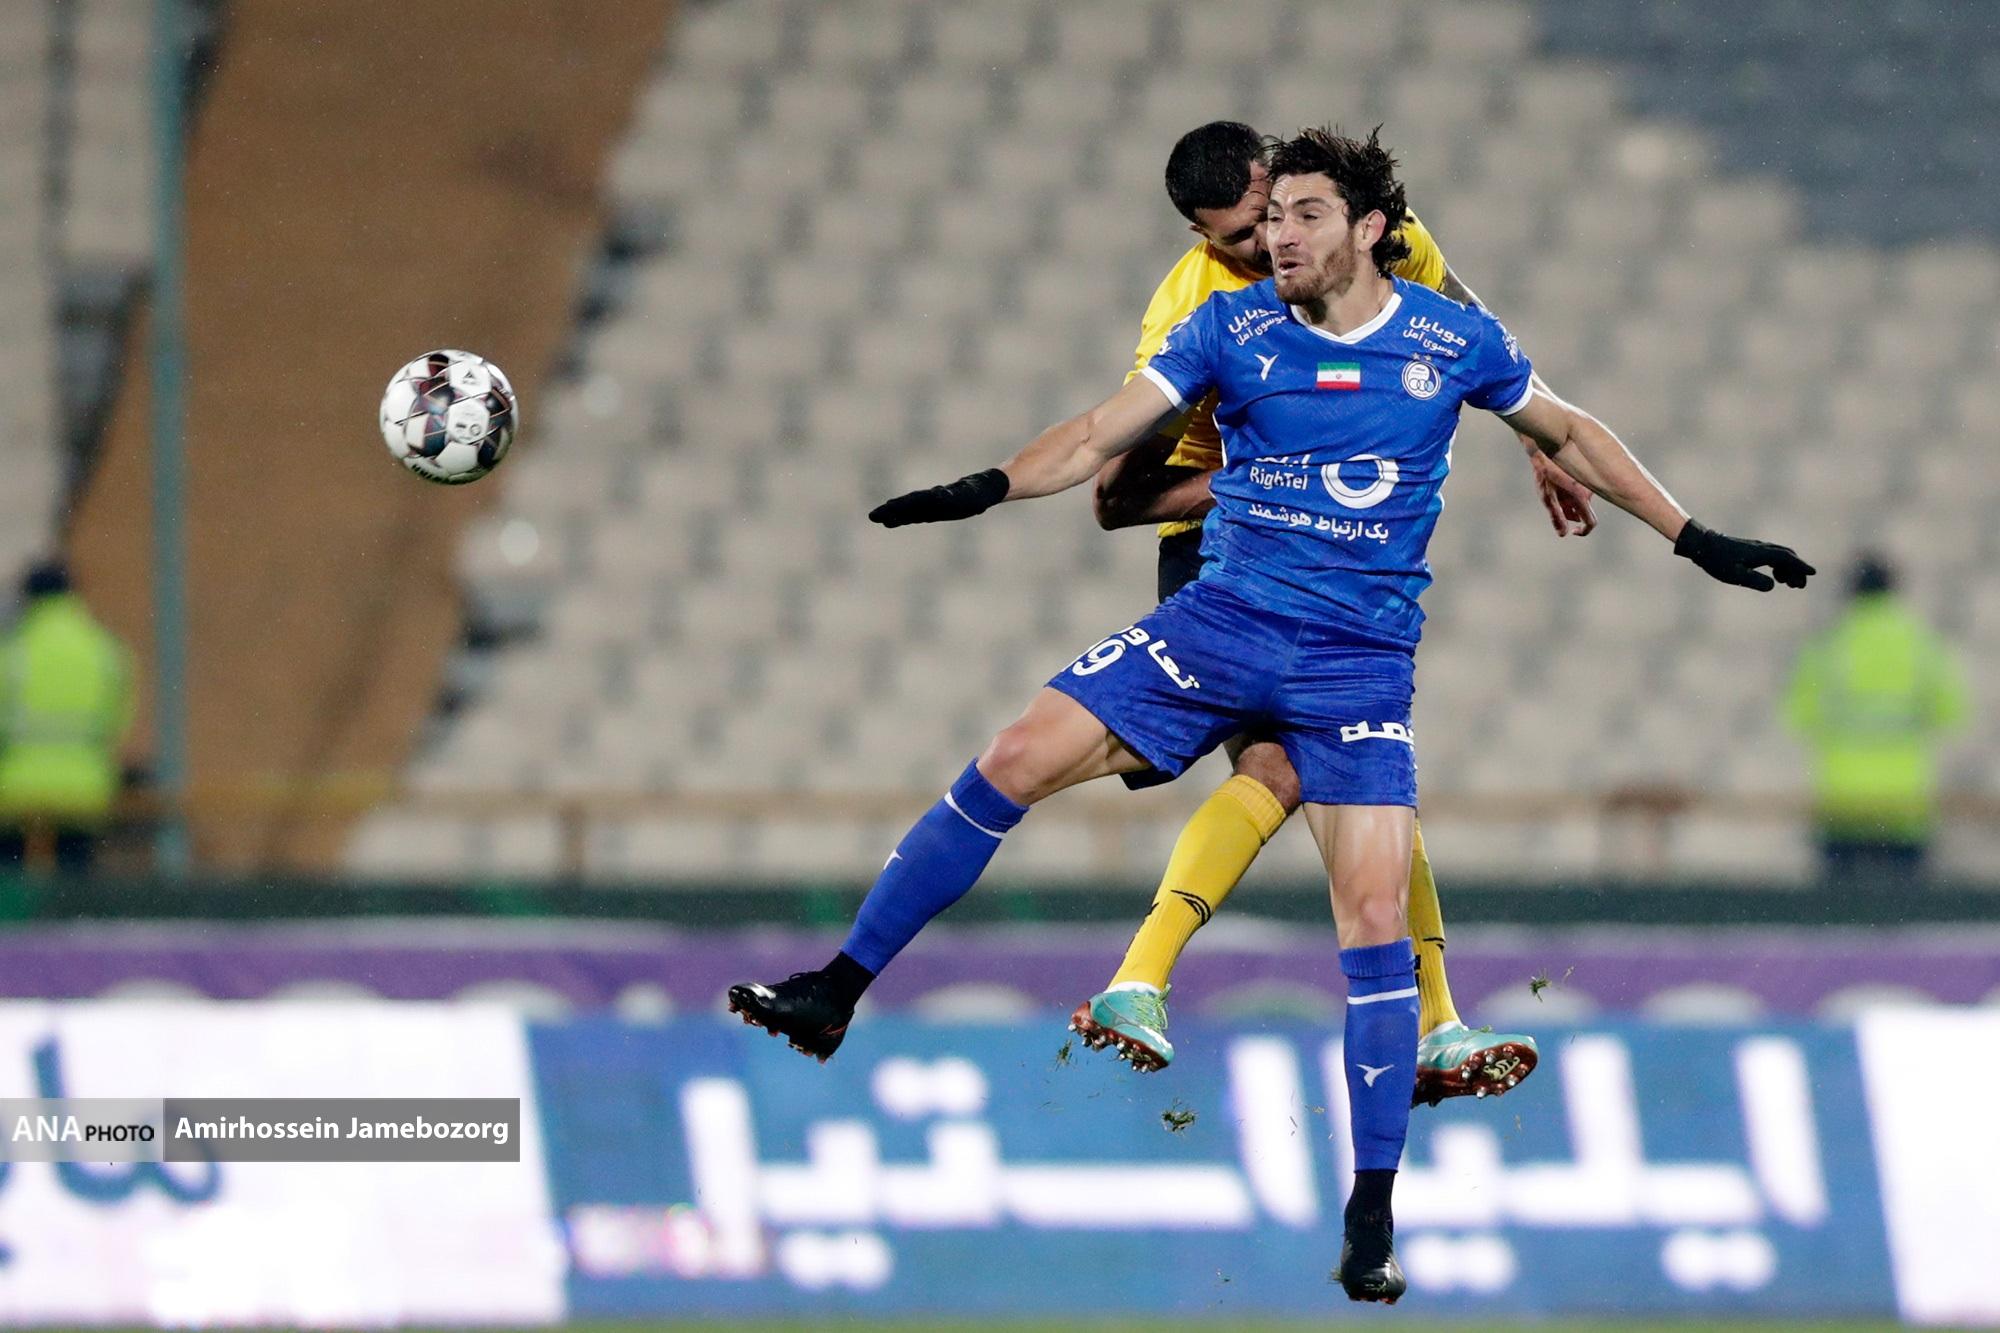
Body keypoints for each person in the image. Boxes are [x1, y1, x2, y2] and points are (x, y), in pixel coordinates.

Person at [731, 126, 1812, 1300]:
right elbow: (1097, 440)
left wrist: (1693, 535)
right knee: (1013, 754)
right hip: (1220, 621)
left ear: (1368, 229)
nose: (1277, 239)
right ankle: (837, 987)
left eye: (1299, 216)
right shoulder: (1220, 323)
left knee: (1369, 917)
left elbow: (1565, 427)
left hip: (1354, 665)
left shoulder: (1449, 338)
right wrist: (984, 486)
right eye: (1268, 218)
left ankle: (1369, 1216)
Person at [1078, 121, 1594, 1101]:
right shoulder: (1191, 308)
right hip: (1224, 548)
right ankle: (1144, 975)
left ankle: (1427, 1023)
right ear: (1199, 237)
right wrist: (1265, 477)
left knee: (1365, 772)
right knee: (1295, 768)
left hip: (1327, 545)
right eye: (1234, 238)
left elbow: (1464, 323)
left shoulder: (1371, 236)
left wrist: (1537, 440)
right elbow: (1111, 499)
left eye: (1270, 220)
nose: (1260, 248)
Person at [1784, 552, 1966, 884]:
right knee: (1905, 906)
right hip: (1904, 800)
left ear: (1851, 591)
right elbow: (1950, 713)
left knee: (1838, 907)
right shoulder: (1921, 644)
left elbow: (1799, 715)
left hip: (1842, 800)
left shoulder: (1828, 644)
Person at [0, 561, 135, 872]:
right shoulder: (105, 651)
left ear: (28, 597)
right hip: (85, 791)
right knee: (74, 870)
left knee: (10, 873)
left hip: (16, 791)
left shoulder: (12, 653)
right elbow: (117, 724)